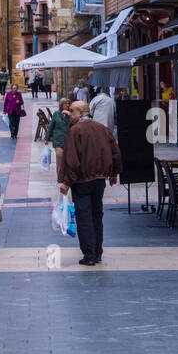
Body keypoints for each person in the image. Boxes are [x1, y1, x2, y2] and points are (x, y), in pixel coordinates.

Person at [57, 101, 122, 266]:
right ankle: (97, 251)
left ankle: (90, 254)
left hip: (82, 181)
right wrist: (113, 173)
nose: (69, 114)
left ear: (81, 112)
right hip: (99, 180)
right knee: (96, 215)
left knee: (84, 217)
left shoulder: (76, 131)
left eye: (71, 111)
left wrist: (66, 182)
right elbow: (115, 152)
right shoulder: (102, 129)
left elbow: (72, 159)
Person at [46, 97, 73, 165]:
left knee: (67, 161)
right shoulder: (56, 114)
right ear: (61, 105)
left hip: (68, 140)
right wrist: (47, 138)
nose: (67, 105)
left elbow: (73, 124)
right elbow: (51, 127)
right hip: (58, 140)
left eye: (68, 104)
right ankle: (59, 175)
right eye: (65, 104)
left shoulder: (71, 114)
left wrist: (69, 115)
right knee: (59, 156)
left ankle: (65, 175)